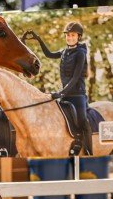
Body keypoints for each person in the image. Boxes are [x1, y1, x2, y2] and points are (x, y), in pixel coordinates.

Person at [23, 22, 92, 155]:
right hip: (65, 94)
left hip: (77, 95)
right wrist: (38, 39)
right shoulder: (65, 51)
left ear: (79, 37)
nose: (69, 38)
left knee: (83, 121)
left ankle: (89, 150)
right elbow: (49, 54)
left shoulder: (80, 54)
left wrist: (61, 93)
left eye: (72, 35)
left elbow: (75, 78)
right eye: (67, 35)